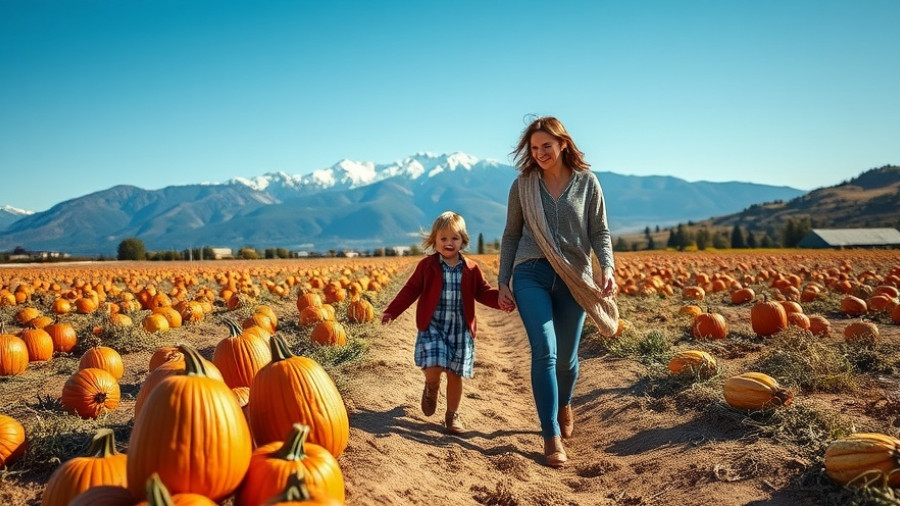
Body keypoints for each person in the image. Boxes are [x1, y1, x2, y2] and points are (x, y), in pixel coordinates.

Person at [498, 116, 618, 468]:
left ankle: (564, 402)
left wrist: (606, 268)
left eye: (545, 146)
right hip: (530, 273)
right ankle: (550, 435)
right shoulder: (523, 186)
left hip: (574, 279)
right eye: (534, 148)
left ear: (563, 144)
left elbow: (600, 233)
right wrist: (504, 280)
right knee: (545, 351)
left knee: (566, 359)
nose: (539, 154)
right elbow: (510, 235)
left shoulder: (587, 183)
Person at [382, 211, 506, 434]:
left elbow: (483, 292)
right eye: (444, 239)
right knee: (434, 366)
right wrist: (392, 311)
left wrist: (502, 301)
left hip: (460, 330)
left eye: (454, 238)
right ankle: (432, 386)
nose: (449, 243)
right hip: (433, 327)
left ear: (463, 241)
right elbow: (410, 291)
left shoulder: (471, 268)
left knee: (455, 373)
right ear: (434, 241)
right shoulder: (426, 267)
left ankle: (452, 415)